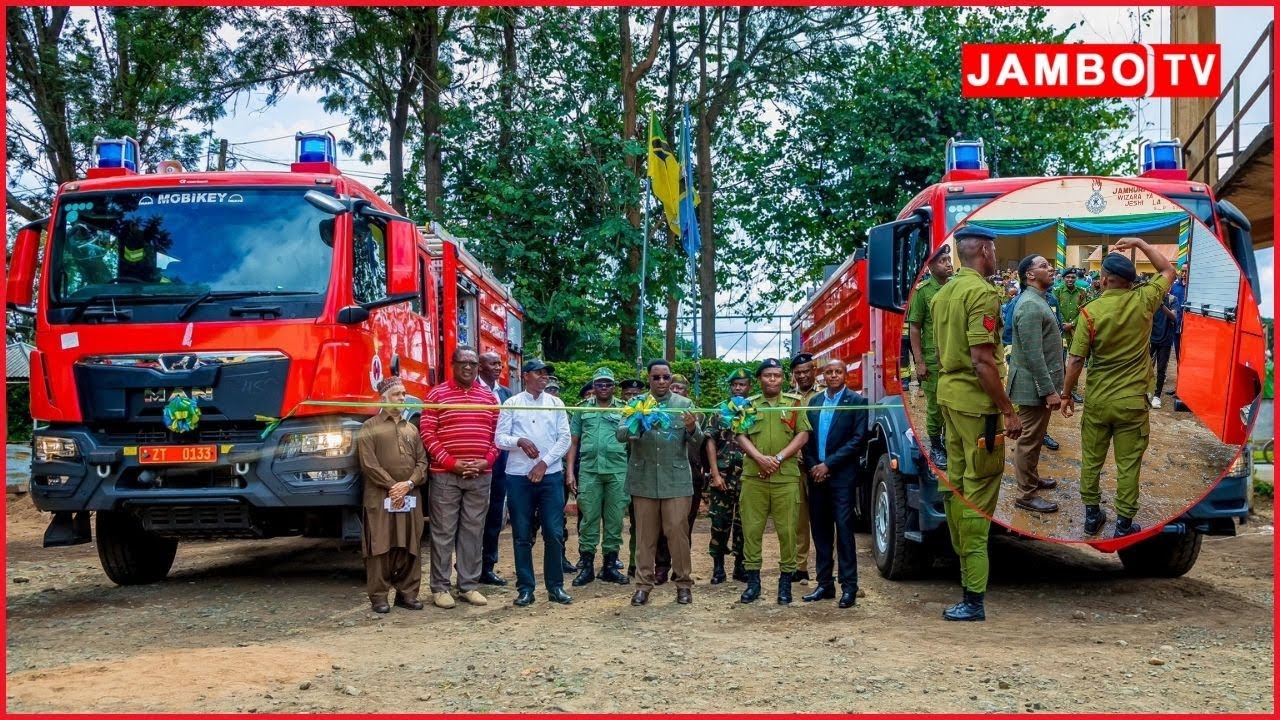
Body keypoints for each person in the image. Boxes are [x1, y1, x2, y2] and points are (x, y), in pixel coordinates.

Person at [931, 224, 1023, 622]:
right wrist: (1008, 409)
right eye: (994, 249)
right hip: (978, 407)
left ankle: (964, 578)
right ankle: (974, 597)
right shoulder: (982, 293)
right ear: (984, 250)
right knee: (978, 494)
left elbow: (939, 353)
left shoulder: (942, 293)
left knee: (954, 486)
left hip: (949, 399)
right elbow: (983, 360)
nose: (996, 256)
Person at [1061, 238, 1175, 539]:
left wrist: (1065, 396)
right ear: (1130, 280)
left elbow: (1075, 360)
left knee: (1092, 461)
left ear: (1104, 279)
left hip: (1099, 401)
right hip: (1132, 403)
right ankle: (1124, 525)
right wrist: (1140, 242)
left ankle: (1091, 517)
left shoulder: (1089, 312)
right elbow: (1167, 270)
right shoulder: (1145, 299)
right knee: (1128, 465)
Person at [419, 346, 500, 608]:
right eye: (463, 362)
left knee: (473, 532)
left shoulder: (488, 398)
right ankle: (440, 587)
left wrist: (485, 461)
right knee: (443, 532)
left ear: (479, 367)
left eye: (473, 363)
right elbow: (428, 435)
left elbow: (497, 437)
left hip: (480, 475)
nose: (468, 367)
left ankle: (467, 585)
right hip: (446, 476)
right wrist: (451, 463)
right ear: (452, 365)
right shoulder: (436, 395)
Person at [620, 359, 703, 606]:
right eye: (656, 377)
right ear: (649, 379)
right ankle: (643, 585)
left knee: (678, 534)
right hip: (644, 479)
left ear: (670, 378)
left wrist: (690, 428)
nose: (661, 382)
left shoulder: (684, 405)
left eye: (665, 377)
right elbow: (621, 434)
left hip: (675, 480)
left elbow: (698, 440)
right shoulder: (635, 403)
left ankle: (683, 585)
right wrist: (638, 424)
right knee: (645, 536)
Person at [496, 359, 573, 606]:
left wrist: (544, 463)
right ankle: (526, 588)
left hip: (550, 476)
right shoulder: (512, 403)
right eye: (539, 373)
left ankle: (555, 586)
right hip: (518, 476)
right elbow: (499, 439)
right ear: (526, 376)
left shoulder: (556, 403)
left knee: (553, 532)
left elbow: (565, 439)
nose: (544, 378)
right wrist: (519, 441)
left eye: (546, 374)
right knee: (521, 533)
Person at [735, 358, 812, 605]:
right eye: (767, 375)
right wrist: (759, 458)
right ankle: (753, 583)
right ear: (759, 379)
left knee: (788, 531)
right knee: (752, 530)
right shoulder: (748, 405)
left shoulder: (794, 403)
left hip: (785, 477)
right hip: (754, 477)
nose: (772, 379)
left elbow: (803, 434)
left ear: (783, 378)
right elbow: (740, 435)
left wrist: (777, 458)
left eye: (777, 375)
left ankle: (785, 583)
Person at [356, 377, 428, 613]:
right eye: (397, 394)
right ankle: (379, 596)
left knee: (410, 544)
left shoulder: (412, 429)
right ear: (384, 397)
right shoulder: (370, 426)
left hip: (409, 496)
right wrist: (392, 486)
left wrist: (407, 484)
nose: (402, 398)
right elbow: (369, 464)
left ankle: (407, 594)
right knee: (380, 545)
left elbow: (422, 462)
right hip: (380, 498)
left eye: (404, 394)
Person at [800, 359, 869, 608]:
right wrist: (813, 466)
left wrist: (828, 464)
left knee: (844, 531)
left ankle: (849, 587)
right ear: (822, 375)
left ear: (845, 375)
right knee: (820, 531)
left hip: (842, 476)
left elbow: (858, 439)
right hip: (816, 475)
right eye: (828, 372)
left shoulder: (857, 402)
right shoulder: (814, 402)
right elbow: (806, 438)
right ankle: (825, 584)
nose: (833, 376)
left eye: (838, 371)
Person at [1007, 255, 1064, 514]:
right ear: (1029, 275)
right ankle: (1026, 495)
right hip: (1033, 386)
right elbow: (1033, 354)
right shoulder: (1030, 305)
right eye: (1043, 266)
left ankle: (1031, 479)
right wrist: (1049, 390)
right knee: (1029, 440)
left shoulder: (1037, 300)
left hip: (1036, 385)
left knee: (1036, 437)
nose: (1050, 269)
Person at [565, 367, 630, 586]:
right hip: (589, 471)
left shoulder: (625, 409)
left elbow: (633, 442)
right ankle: (587, 566)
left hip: (617, 471)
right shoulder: (581, 410)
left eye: (608, 384)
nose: (604, 388)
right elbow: (573, 442)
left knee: (614, 520)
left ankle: (610, 566)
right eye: (599, 384)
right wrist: (570, 472)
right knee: (589, 520)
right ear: (593, 387)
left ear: (614, 386)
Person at [907, 244, 954, 470]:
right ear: (931, 265)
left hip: (955, 357)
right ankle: (936, 447)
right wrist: (919, 362)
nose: (948, 264)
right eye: (942, 261)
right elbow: (915, 328)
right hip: (932, 359)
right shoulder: (923, 291)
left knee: (954, 402)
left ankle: (950, 442)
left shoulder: (956, 288)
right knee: (936, 405)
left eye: (949, 259)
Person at [705, 368, 751, 584]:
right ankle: (718, 567)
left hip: (747, 476)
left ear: (749, 386)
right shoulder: (719, 412)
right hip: (722, 475)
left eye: (742, 384)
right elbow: (710, 442)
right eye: (735, 385)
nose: (738, 388)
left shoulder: (753, 411)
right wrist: (715, 474)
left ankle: (740, 566)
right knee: (719, 523)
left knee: (744, 524)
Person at [667, 373, 710, 584]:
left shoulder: (698, 415)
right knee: (661, 527)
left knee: (684, 525)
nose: (675, 391)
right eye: (672, 387)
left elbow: (702, 443)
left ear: (686, 392)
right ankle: (661, 566)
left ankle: (680, 569)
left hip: (691, 475)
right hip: (665, 474)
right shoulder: (658, 411)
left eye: (680, 388)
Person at [476, 350, 512, 587]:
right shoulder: (472, 392)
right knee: (471, 516)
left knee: (494, 515)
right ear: (480, 367)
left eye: (499, 363)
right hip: (475, 461)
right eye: (492, 364)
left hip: (499, 463)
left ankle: (488, 566)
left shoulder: (506, 394)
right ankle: (467, 566)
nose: (498, 367)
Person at [787, 352, 818, 583]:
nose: (803, 375)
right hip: (795, 465)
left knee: (823, 518)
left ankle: (827, 565)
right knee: (798, 518)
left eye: (806, 371)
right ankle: (800, 566)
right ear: (793, 375)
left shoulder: (825, 395)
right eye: (798, 373)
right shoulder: (788, 398)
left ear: (814, 370)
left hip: (819, 464)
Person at [1053, 268, 1087, 404]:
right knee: (1059, 360)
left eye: (1073, 278)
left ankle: (1073, 391)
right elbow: (1055, 309)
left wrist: (1072, 324)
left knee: (1075, 360)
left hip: (1075, 331)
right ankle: (1060, 389)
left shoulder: (1082, 292)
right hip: (1060, 331)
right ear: (1063, 278)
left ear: (1076, 279)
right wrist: (1062, 323)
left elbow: (1084, 310)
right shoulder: (1057, 291)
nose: (1070, 280)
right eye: (1068, 277)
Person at [1149, 290, 1179, 408]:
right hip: (1151, 338)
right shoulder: (1151, 299)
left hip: (1166, 339)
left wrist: (1161, 304)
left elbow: (1173, 316)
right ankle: (1145, 392)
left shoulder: (1172, 300)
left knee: (1161, 369)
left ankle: (1157, 396)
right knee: (1145, 366)